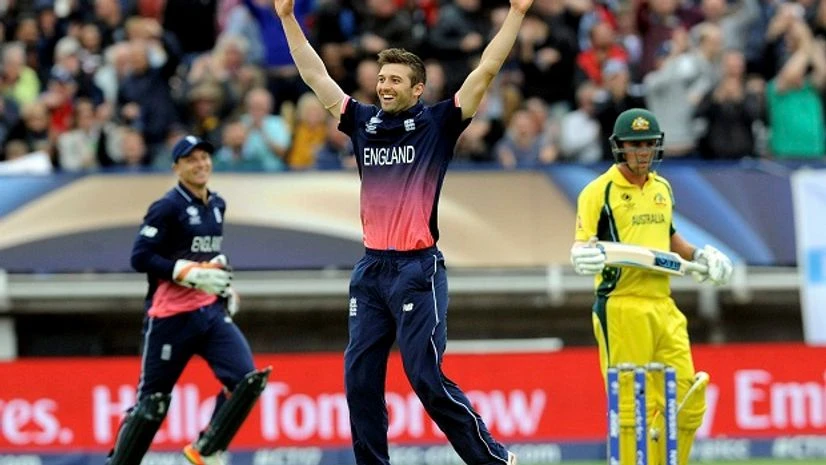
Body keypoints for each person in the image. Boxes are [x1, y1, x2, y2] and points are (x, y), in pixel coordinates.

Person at [274, 0, 533, 464]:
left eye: (395, 79)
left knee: (425, 378)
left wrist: (515, 13)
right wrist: (288, 20)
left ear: (417, 88)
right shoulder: (362, 123)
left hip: (417, 268)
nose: (384, 85)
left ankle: (493, 460)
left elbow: (487, 70)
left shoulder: (437, 125)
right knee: (359, 381)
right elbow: (316, 76)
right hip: (372, 270)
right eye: (381, 78)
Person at [569, 108, 733, 465]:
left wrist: (701, 256)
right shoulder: (599, 191)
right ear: (620, 147)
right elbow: (583, 244)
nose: (642, 152)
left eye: (647, 144)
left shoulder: (662, 187)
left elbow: (669, 236)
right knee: (630, 410)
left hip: (663, 303)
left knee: (688, 401)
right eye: (634, 145)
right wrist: (582, 255)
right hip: (621, 306)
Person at [106, 135, 270, 465]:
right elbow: (140, 257)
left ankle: (204, 450)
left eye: (205, 158)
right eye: (191, 159)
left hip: (209, 312)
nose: (201, 164)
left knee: (245, 381)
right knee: (152, 404)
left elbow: (208, 254)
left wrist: (223, 285)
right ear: (176, 167)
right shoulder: (167, 207)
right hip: (169, 317)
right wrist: (184, 272)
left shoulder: (217, 204)